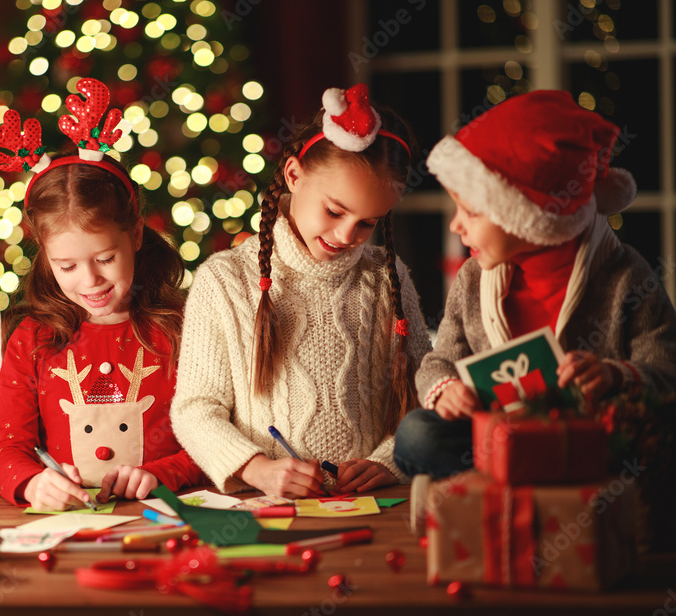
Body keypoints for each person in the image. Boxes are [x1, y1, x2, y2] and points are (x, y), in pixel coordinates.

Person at [394, 90, 676, 478]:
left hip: (587, 438)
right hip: (499, 434)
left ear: (530, 216)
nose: (455, 226)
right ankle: (524, 482)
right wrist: (445, 390)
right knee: (416, 434)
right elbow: (439, 362)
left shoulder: (625, 275)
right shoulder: (474, 278)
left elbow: (666, 370)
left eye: (472, 212)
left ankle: (520, 486)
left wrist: (614, 376)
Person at [170, 84, 432, 498]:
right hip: (264, 505)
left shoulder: (387, 277)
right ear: (294, 175)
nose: (347, 235)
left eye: (367, 223)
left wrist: (391, 460)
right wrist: (258, 471)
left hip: (372, 504)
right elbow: (195, 410)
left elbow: (425, 394)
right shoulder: (223, 281)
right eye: (334, 210)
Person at [0, 79, 206, 511]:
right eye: (67, 266)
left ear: (136, 235)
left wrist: (162, 474)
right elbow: (9, 449)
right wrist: (32, 484)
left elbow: (210, 438)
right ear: (45, 256)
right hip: (72, 523)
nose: (90, 281)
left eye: (106, 258)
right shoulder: (32, 339)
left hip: (167, 517)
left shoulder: (180, 329)